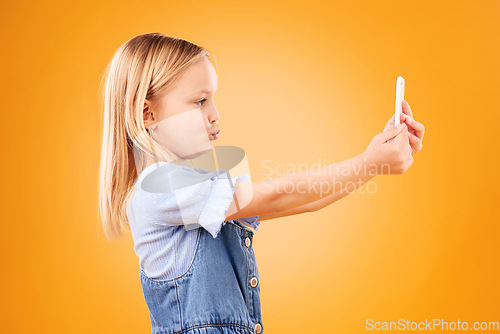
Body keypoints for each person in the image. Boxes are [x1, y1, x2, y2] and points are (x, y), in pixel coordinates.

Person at [98, 32, 424, 334]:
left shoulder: (194, 188)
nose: (215, 114)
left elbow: (301, 200)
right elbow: (277, 196)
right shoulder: (160, 187)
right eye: (200, 101)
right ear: (148, 114)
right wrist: (370, 162)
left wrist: (372, 164)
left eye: (213, 100)